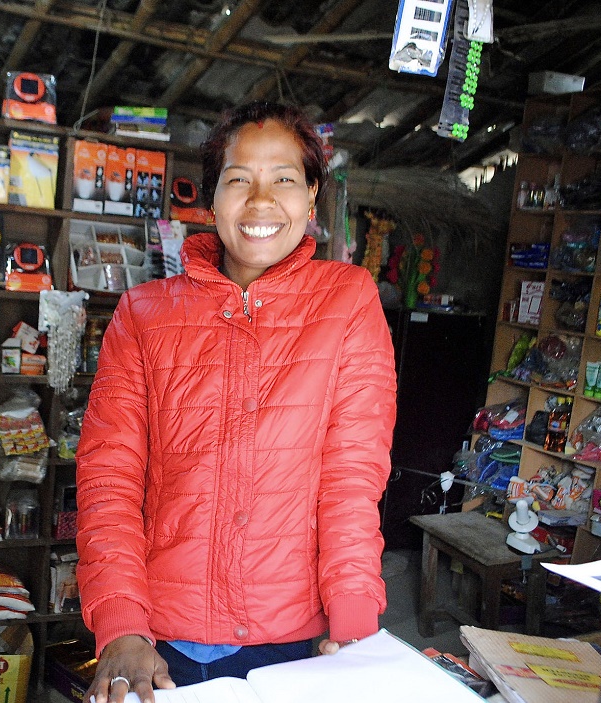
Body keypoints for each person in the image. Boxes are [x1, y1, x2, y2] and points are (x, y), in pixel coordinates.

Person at [75, 100, 398, 703]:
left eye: (283, 180)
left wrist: (354, 618)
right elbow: (109, 480)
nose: (260, 202)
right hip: (162, 643)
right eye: (239, 180)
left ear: (311, 195)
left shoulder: (348, 301)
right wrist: (121, 624)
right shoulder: (143, 314)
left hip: (299, 641)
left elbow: (352, 475)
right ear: (212, 198)